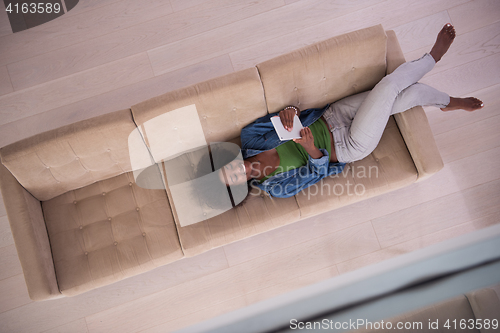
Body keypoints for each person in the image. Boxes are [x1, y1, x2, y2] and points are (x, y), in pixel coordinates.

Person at [218, 24, 484, 198]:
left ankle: (448, 103)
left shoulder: (251, 136)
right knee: (390, 85)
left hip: (334, 115)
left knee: (412, 94)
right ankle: (433, 58)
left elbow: (288, 112)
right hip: (349, 145)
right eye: (233, 179)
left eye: (229, 169)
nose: (238, 171)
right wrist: (310, 148)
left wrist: (289, 110)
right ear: (238, 187)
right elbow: (318, 173)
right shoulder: (275, 187)